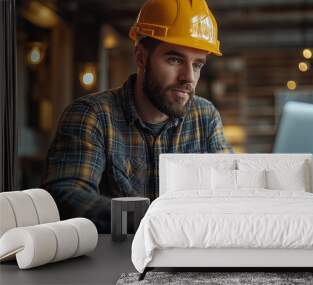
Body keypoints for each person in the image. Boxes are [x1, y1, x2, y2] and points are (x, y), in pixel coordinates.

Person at [42, 0, 232, 233]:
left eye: (197, 65)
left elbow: (229, 192)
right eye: (175, 60)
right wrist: (157, 220)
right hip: (110, 264)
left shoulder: (205, 117)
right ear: (141, 57)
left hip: (183, 261)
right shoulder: (93, 116)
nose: (188, 78)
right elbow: (65, 197)